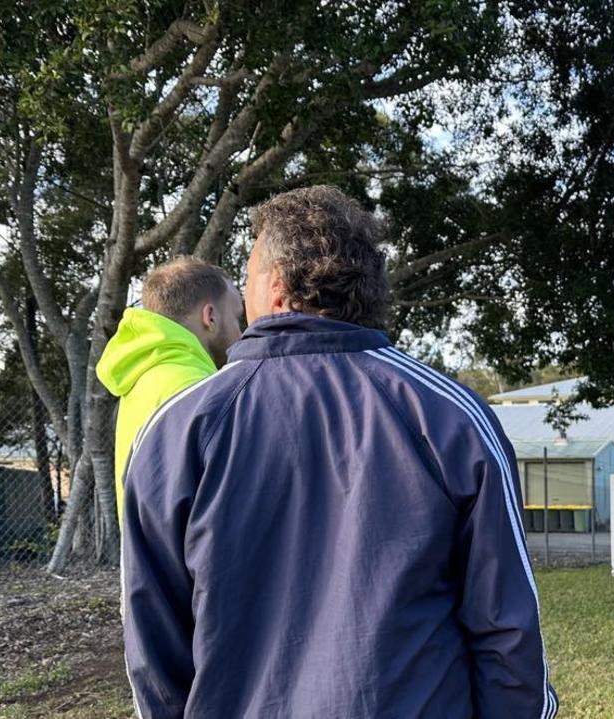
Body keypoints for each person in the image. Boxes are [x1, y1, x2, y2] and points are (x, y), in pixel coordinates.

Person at [121, 186, 558, 718]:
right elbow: (506, 629)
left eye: (248, 273)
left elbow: (154, 650)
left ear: (278, 289)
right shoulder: (450, 416)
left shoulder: (178, 429)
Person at [95, 256, 242, 526]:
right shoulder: (200, 390)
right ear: (210, 316)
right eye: (236, 317)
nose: (240, 332)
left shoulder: (144, 377)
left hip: (146, 562)